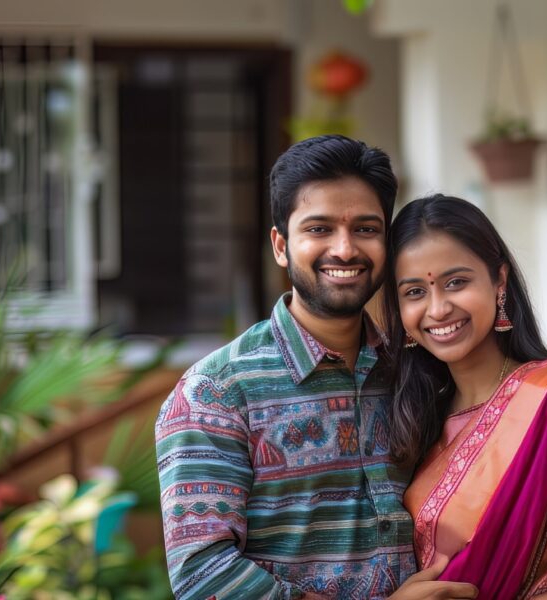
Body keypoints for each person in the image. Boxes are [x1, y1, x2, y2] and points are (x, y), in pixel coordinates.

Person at [156, 136, 477, 599]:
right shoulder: (218, 391)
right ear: (281, 245)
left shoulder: (416, 370)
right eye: (320, 229)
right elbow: (203, 576)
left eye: (366, 229)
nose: (345, 250)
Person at [382, 193, 547, 600]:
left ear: (499, 280)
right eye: (414, 292)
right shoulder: (414, 418)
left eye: (456, 282)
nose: (438, 308)